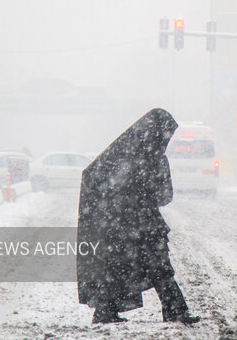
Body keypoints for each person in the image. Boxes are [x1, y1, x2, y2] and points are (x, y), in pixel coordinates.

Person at [77, 108, 200, 325]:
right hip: (146, 224)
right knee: (159, 267)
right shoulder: (155, 159)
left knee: (118, 267)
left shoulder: (122, 154)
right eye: (167, 132)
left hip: (119, 225)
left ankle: (105, 311)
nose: (168, 138)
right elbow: (164, 196)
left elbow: (100, 179)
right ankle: (174, 311)